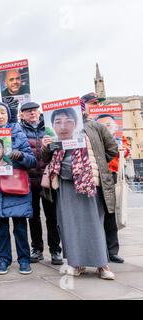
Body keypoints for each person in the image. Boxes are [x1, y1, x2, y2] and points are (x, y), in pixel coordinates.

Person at [42, 93, 118, 280]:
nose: (63, 124)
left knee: (94, 223)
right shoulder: (54, 135)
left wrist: (96, 163)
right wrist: (46, 147)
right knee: (69, 225)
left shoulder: (95, 127)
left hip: (89, 182)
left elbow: (112, 149)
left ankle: (102, 265)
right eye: (58, 121)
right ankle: (77, 264)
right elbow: (46, 159)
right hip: (65, 184)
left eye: (68, 120)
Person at [0, 101, 36, 275]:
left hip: (15, 187)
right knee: (1, 229)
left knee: (20, 227)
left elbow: (32, 160)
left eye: (2, 113)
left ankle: (24, 260)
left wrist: (20, 156)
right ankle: (4, 260)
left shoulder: (18, 132)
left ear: (8, 115)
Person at [81, 92, 124, 264]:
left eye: (98, 104)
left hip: (106, 175)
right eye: (93, 104)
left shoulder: (103, 125)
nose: (97, 107)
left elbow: (113, 148)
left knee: (109, 214)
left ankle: (112, 251)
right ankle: (95, 250)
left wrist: (100, 160)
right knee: (92, 215)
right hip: (87, 176)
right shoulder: (81, 125)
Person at [19, 102, 62, 265]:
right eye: (28, 111)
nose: (32, 113)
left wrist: (50, 146)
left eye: (34, 111)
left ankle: (55, 250)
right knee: (33, 217)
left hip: (48, 179)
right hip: (28, 179)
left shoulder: (50, 126)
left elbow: (60, 147)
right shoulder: (19, 130)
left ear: (39, 112)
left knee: (52, 216)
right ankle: (36, 248)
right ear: (22, 115)